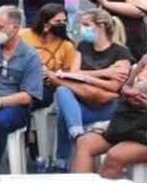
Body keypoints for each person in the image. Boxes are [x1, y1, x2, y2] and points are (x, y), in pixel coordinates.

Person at [50, 10, 132, 171]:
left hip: (108, 108)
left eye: (86, 25)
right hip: (83, 103)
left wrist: (86, 77)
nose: (82, 28)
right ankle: (77, 135)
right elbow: (73, 74)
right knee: (62, 91)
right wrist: (104, 73)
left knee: (64, 115)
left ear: (100, 26)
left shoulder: (121, 52)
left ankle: (60, 162)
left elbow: (114, 87)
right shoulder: (83, 46)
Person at [72, 51, 147, 180]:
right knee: (85, 143)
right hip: (132, 123)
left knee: (115, 156)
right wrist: (130, 93)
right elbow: (125, 87)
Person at [0, 6, 43, 182]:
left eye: (0, 27)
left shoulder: (30, 56)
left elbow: (28, 95)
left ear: (15, 27)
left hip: (14, 107)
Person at [21, 3, 77, 109]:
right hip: (19, 79)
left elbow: (68, 77)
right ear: (45, 23)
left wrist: (51, 75)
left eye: (64, 21)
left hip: (45, 86)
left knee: (37, 98)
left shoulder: (67, 45)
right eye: (58, 22)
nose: (62, 24)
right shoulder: (23, 35)